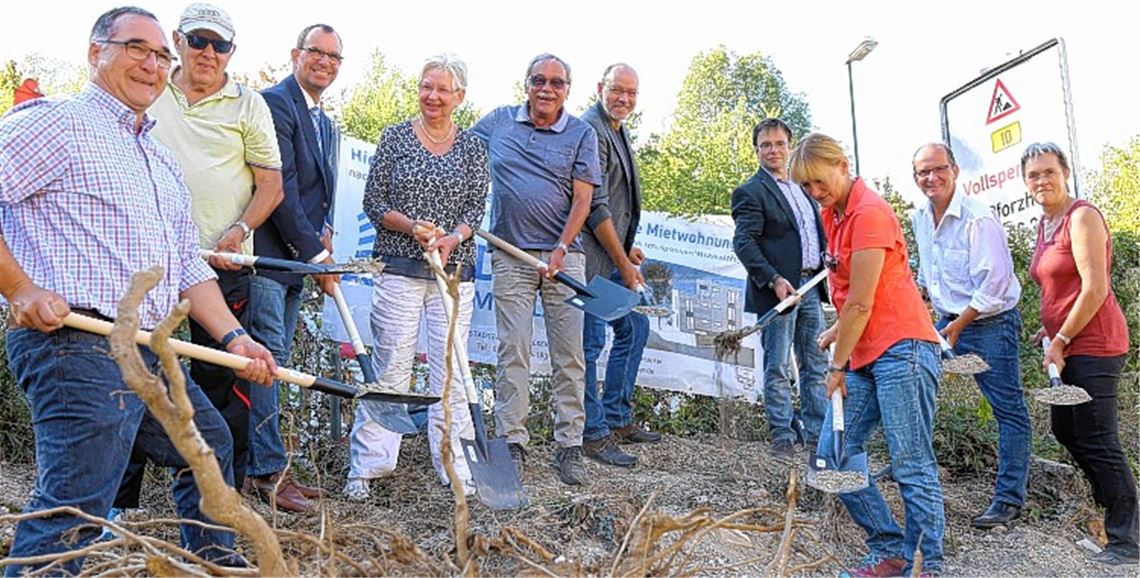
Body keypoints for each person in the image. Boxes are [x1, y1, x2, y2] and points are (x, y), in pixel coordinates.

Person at [0, 7, 276, 573]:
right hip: (74, 340)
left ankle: (213, 566)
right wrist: (20, 288)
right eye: (136, 49)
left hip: (147, 349)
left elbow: (185, 269)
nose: (151, 65)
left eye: (159, 56)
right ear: (96, 51)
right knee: (76, 504)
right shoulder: (54, 123)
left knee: (207, 447)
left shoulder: (158, 161)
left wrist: (235, 338)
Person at [112, 1, 284, 512]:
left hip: (221, 265)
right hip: (149, 265)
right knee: (137, 370)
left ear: (232, 52)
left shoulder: (248, 103)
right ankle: (122, 504)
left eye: (220, 45)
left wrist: (239, 230)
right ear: (178, 41)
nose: (209, 53)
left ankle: (219, 495)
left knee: (225, 379)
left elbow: (271, 184)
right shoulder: (145, 89)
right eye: (198, 41)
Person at [790, 133, 944, 577]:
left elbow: (862, 302)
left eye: (819, 182)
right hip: (867, 351)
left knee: (911, 463)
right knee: (831, 456)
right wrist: (840, 330)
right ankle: (890, 548)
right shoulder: (831, 214)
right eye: (806, 187)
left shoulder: (870, 212)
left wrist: (836, 364)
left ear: (842, 164)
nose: (814, 192)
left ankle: (925, 565)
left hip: (905, 350)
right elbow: (861, 294)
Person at [345, 53, 489, 501]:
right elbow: (374, 202)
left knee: (451, 371)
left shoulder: (473, 148)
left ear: (459, 96)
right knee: (391, 366)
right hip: (400, 268)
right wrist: (413, 227)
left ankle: (454, 464)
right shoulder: (394, 138)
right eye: (427, 86)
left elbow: (474, 210)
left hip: (451, 273)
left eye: (443, 89)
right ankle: (369, 467)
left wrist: (453, 237)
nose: (433, 96)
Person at [470, 53, 601, 486]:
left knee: (570, 356)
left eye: (557, 82)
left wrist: (562, 248)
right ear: (525, 83)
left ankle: (569, 446)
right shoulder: (499, 123)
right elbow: (459, 153)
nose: (547, 88)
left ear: (568, 90)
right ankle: (512, 442)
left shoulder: (582, 133)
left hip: (565, 259)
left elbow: (583, 200)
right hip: (511, 254)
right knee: (513, 352)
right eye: (538, 80)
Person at [245, 23, 344, 513]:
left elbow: (311, 195)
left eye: (333, 56)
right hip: (267, 256)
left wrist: (321, 236)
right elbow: (278, 188)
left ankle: (267, 465)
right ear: (295, 54)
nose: (324, 61)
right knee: (266, 363)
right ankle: (265, 473)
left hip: (292, 264)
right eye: (316, 52)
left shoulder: (322, 119)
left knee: (275, 363)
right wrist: (318, 257)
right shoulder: (275, 103)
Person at [1024, 142, 1138, 566]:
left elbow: (1095, 289)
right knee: (1066, 431)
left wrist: (1062, 338)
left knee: (1099, 439)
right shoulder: (1045, 223)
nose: (1042, 181)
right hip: (1067, 342)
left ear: (1065, 172)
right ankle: (1114, 515)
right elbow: (1062, 288)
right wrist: (1048, 328)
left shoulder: (1082, 216)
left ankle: (1128, 540)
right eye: (1033, 175)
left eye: (1049, 172)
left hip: (1095, 344)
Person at [910, 142, 1031, 529]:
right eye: (922, 172)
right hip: (944, 322)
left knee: (1008, 409)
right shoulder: (919, 218)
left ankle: (1009, 500)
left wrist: (958, 325)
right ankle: (911, 472)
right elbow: (931, 273)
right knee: (913, 390)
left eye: (937, 169)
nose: (931, 178)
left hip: (988, 325)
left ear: (955, 170)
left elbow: (994, 285)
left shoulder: (979, 219)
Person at [730, 118, 829, 459]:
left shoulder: (806, 188)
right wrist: (772, 279)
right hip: (779, 291)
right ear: (756, 150)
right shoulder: (751, 191)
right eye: (765, 145)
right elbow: (743, 243)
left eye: (779, 143)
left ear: (791, 145)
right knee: (777, 366)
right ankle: (782, 436)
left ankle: (817, 436)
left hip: (813, 286)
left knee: (816, 363)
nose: (773, 150)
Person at [579, 63, 657, 468]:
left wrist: (628, 251)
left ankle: (617, 417)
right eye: (617, 90)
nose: (624, 98)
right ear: (600, 88)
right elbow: (595, 206)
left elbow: (616, 203)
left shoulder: (617, 128)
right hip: (589, 259)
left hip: (610, 254)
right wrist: (622, 262)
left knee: (634, 327)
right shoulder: (591, 128)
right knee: (589, 345)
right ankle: (592, 434)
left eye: (632, 92)